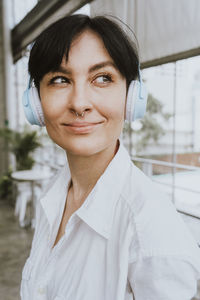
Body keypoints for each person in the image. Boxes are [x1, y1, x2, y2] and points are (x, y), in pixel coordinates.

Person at [20, 14, 200, 300]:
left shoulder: (153, 236)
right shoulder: (54, 193)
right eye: (59, 79)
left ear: (132, 97)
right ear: (35, 103)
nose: (80, 103)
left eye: (102, 78)